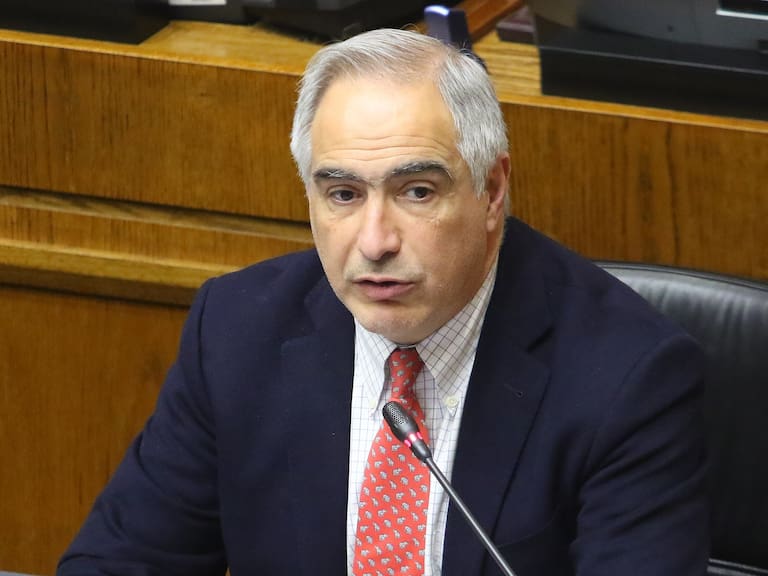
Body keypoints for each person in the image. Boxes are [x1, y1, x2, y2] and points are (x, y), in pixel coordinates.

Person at [58, 28, 709, 576]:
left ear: (491, 189)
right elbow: (120, 561)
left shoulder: (629, 379)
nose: (374, 242)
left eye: (417, 191)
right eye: (342, 195)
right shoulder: (236, 331)